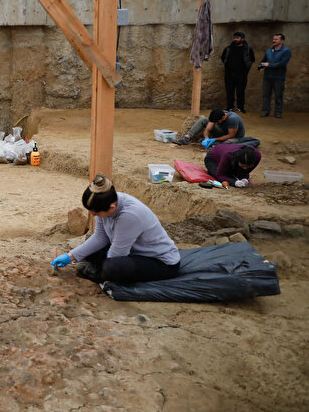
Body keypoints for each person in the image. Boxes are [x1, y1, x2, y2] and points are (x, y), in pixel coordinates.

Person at [51, 174, 180, 284]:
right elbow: (100, 238)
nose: (94, 216)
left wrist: (99, 265)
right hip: (132, 251)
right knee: (90, 245)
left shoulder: (129, 215)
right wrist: (70, 256)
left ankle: (99, 274)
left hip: (160, 262)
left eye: (96, 214)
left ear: (112, 208)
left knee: (112, 268)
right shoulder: (105, 200)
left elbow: (117, 255)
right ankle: (98, 267)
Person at [174, 108, 247, 147]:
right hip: (222, 133)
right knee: (203, 119)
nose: (215, 124)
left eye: (216, 122)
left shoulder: (233, 119)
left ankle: (216, 144)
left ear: (223, 118)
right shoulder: (218, 114)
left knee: (229, 143)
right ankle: (187, 138)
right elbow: (208, 128)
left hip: (234, 138)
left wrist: (214, 139)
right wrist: (206, 138)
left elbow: (231, 135)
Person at [220, 31, 254, 113]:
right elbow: (223, 58)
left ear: (242, 39)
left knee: (240, 92)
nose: (235, 39)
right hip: (229, 74)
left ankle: (240, 108)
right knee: (229, 92)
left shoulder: (248, 49)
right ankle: (230, 107)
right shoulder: (228, 48)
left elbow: (252, 60)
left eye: (237, 38)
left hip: (241, 75)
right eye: (234, 37)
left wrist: (245, 71)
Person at [258, 33, 291, 118]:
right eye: (273, 39)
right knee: (266, 95)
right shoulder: (269, 50)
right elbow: (263, 61)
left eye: (276, 39)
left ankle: (278, 112)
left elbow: (282, 64)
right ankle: (265, 111)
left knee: (278, 95)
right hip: (267, 77)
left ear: (282, 41)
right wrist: (260, 66)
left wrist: (268, 65)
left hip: (279, 77)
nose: (273, 40)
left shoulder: (286, 51)